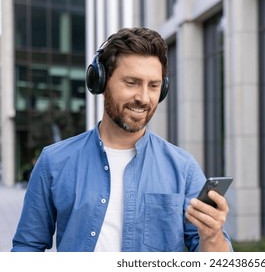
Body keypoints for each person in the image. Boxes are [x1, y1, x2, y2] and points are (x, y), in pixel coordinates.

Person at [11, 27, 233, 252]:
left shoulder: (184, 169)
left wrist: (212, 235)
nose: (143, 98)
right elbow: (27, 248)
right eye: (132, 82)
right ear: (101, 81)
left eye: (153, 86)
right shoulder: (54, 161)